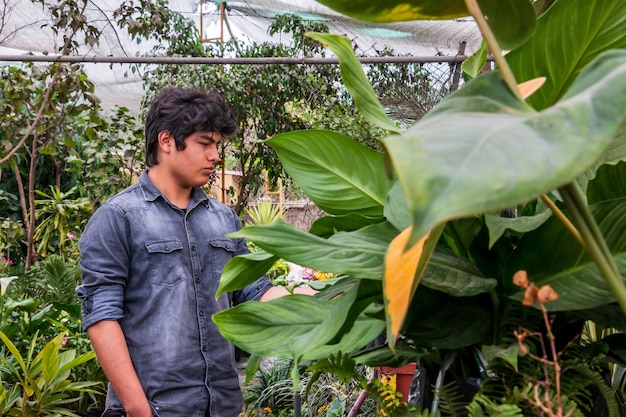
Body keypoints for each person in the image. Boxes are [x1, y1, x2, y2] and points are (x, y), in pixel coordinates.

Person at [77, 87, 313, 417]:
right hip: (156, 408)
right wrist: (137, 409)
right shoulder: (118, 218)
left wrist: (319, 302)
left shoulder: (223, 219)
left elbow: (253, 292)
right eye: (205, 143)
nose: (215, 155)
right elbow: (102, 317)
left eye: (217, 144)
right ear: (167, 141)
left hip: (222, 405)